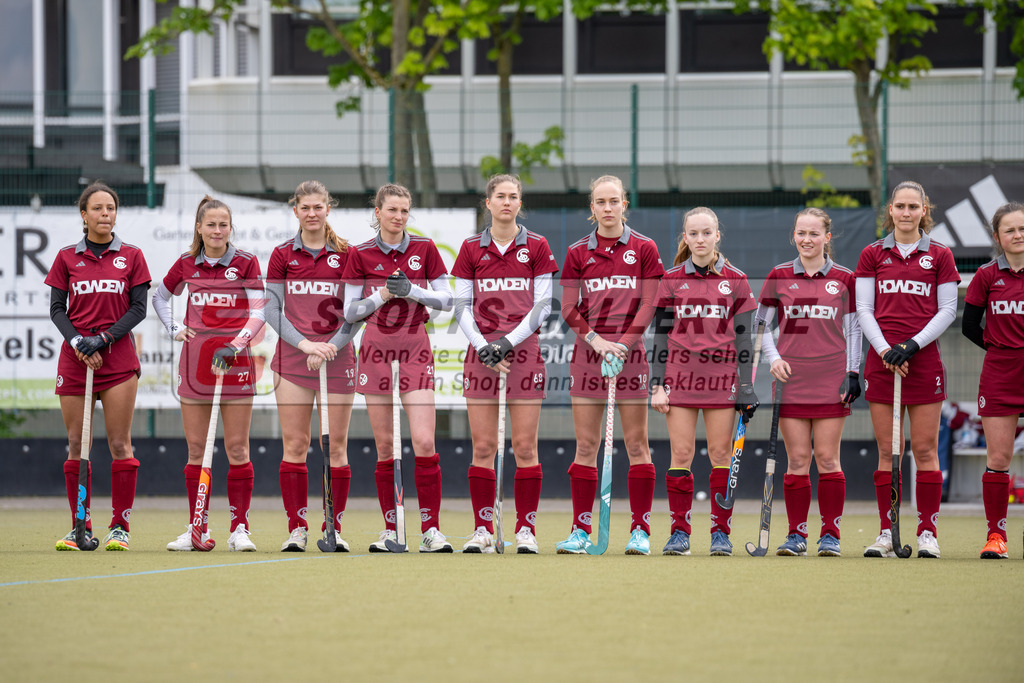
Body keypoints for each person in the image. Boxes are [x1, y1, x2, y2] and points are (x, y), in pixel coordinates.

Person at [343, 183, 455, 553]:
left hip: (414, 346)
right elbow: (350, 312)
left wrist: (412, 291)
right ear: (377, 212)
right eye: (392, 210)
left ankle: (431, 530)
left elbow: (447, 300)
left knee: (424, 441)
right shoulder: (359, 254)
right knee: (386, 444)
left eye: (405, 210)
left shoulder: (424, 248)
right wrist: (382, 294)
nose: (399, 216)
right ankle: (392, 528)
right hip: (375, 347)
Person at [558, 175, 665, 555]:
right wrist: (597, 342)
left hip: (629, 358)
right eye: (601, 202)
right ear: (592, 208)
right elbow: (568, 307)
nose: (607, 208)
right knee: (586, 445)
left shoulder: (645, 248)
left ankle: (640, 531)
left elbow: (650, 304)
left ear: (624, 204)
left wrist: (622, 345)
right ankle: (580, 531)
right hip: (589, 357)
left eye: (614, 201)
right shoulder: (576, 252)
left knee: (637, 443)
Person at [452, 174, 558, 554]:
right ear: (489, 202)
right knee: (483, 446)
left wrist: (507, 343)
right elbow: (461, 305)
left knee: (525, 447)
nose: (507, 202)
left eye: (514, 196)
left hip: (523, 355)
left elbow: (542, 305)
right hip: (481, 357)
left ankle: (526, 529)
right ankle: (482, 528)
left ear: (520, 203)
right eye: (500, 196)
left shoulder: (538, 246)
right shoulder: (470, 248)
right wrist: (484, 347)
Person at [153, 195, 266, 552]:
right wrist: (174, 328)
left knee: (237, 447)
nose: (217, 230)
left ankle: (239, 528)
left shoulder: (246, 262)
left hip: (235, 362)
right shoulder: (186, 263)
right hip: (195, 362)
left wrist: (236, 345)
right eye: (211, 224)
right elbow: (160, 297)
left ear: (230, 228)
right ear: (199, 227)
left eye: (223, 224)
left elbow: (259, 311)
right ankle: (196, 527)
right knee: (197, 449)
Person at [854, 180, 959, 559]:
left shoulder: (940, 255)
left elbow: (947, 309)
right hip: (882, 362)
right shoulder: (872, 254)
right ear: (891, 210)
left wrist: (911, 345)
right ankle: (887, 531)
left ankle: (928, 532)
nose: (906, 212)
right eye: (900, 206)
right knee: (888, 450)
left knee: (926, 449)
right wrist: (885, 349)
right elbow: (864, 309)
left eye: (913, 206)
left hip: (923, 361)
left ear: (924, 210)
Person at [47, 182, 151, 551]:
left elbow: (138, 309)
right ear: (84, 215)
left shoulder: (132, 256)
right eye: (98, 208)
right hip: (75, 360)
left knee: (120, 443)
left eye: (111, 208)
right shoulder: (66, 258)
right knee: (78, 443)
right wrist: (79, 342)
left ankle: (119, 527)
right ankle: (80, 525)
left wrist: (103, 339)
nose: (105, 214)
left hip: (117, 360)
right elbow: (56, 309)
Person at [650, 207, 758, 557]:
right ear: (685, 237)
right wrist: (657, 385)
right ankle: (679, 533)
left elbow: (744, 339)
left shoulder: (736, 279)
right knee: (681, 453)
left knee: (719, 454)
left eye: (706, 233)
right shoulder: (671, 279)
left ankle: (720, 534)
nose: (700, 239)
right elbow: (660, 338)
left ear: (717, 236)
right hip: (680, 378)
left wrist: (746, 386)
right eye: (693, 234)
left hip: (721, 379)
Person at [755, 208, 861, 558]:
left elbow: (854, 330)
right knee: (798, 459)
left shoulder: (845, 278)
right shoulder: (779, 275)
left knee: (828, 458)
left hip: (831, 377)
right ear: (793, 235)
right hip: (791, 379)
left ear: (827, 237)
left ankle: (830, 535)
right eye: (801, 233)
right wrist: (774, 359)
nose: (807, 239)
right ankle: (796, 535)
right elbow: (760, 325)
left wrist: (852, 372)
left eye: (814, 233)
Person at [265, 180, 359, 552]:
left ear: (328, 209)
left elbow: (355, 313)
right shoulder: (282, 254)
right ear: (295, 211)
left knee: (335, 446)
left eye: (318, 207)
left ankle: (333, 528)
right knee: (296, 444)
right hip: (293, 359)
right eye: (305, 207)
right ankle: (297, 528)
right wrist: (306, 344)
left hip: (337, 358)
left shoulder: (348, 254)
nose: (312, 213)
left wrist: (330, 347)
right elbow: (272, 309)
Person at [962, 201, 1024, 560]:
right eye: (1009, 230)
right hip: (1000, 375)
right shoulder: (987, 275)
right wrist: (1000, 348)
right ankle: (996, 537)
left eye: (1022, 229)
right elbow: (970, 326)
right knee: (999, 456)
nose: (1018, 235)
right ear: (997, 237)